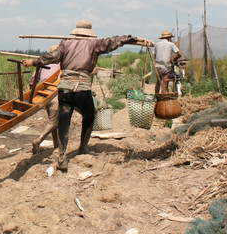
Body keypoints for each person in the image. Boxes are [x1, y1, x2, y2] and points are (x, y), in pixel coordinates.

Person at [23, 19, 154, 171]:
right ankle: (83, 147)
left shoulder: (65, 43)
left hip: (65, 89)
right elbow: (115, 41)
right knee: (90, 114)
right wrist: (136, 39)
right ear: (89, 34)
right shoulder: (94, 44)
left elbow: (51, 57)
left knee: (64, 120)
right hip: (82, 89)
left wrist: (34, 61)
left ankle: (62, 157)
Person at [29, 46, 61, 154]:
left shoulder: (43, 63)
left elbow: (33, 79)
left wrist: (32, 95)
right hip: (53, 93)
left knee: (52, 120)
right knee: (53, 121)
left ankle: (56, 145)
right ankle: (39, 140)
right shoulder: (61, 63)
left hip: (43, 94)